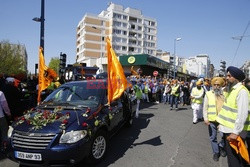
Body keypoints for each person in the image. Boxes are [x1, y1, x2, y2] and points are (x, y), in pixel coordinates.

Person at [216, 66, 249, 167]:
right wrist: (221, 124)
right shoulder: (232, 90)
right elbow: (228, 110)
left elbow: (242, 114)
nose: (226, 77)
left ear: (236, 78)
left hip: (234, 132)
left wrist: (235, 132)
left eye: (229, 76)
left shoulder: (242, 91)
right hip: (227, 130)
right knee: (232, 159)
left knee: (234, 160)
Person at [203, 77, 226, 161]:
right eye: (214, 85)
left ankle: (221, 147)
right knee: (213, 137)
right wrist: (205, 118)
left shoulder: (224, 94)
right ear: (212, 85)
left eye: (218, 85)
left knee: (224, 137)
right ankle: (216, 152)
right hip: (211, 120)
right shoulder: (208, 94)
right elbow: (205, 107)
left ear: (220, 86)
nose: (216, 86)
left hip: (222, 120)